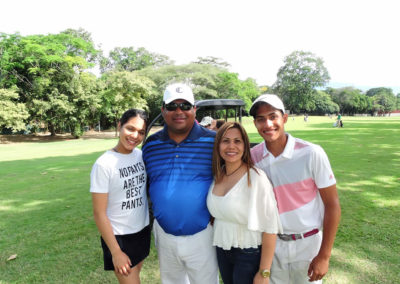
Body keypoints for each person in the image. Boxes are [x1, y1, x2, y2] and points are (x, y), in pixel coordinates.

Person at [249, 94, 341, 283]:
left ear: (284, 118)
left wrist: (324, 256)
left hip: (307, 244)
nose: (267, 124)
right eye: (260, 119)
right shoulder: (252, 157)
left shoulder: (311, 153)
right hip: (270, 246)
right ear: (255, 123)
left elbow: (332, 204)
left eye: (273, 116)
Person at [142, 83, 219, 284]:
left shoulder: (215, 141)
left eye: (185, 106)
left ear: (195, 110)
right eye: (172, 106)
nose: (179, 111)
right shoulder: (151, 144)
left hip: (204, 233)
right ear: (163, 110)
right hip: (164, 234)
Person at [207, 122, 282, 284]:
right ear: (218, 145)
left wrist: (264, 272)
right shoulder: (217, 176)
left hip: (248, 254)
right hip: (222, 249)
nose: (231, 146)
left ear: (245, 145)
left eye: (237, 141)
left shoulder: (256, 178)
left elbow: (270, 227)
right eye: (225, 141)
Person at [90, 109, 150, 284]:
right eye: (130, 129)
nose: (134, 136)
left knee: (136, 274)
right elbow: (99, 213)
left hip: (142, 231)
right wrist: (116, 252)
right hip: (119, 238)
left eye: (140, 132)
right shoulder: (103, 164)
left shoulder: (140, 155)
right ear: (119, 126)